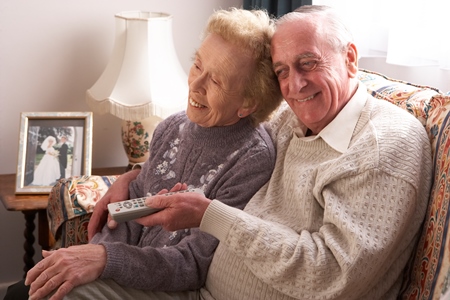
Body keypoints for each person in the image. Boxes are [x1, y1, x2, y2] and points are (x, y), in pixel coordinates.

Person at [89, 5, 431, 300]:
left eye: (308, 63)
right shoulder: (290, 117)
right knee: (58, 285)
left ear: (350, 59)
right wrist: (133, 177)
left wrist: (211, 216)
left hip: (192, 285)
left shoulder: (384, 146)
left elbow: (331, 274)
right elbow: (210, 149)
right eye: (282, 70)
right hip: (198, 290)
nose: (294, 86)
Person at [12, 8, 283, 300]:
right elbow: (128, 211)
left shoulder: (253, 159)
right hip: (128, 270)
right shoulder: (172, 126)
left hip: (172, 287)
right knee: (25, 289)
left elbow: (191, 262)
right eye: (197, 65)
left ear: (248, 103)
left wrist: (104, 259)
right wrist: (93, 254)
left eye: (216, 81)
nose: (195, 84)